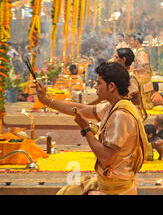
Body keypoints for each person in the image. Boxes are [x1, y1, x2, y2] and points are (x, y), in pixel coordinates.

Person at [35, 62, 148, 195]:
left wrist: (86, 130)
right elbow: (82, 109)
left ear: (111, 86)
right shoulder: (113, 106)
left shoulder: (121, 115)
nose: (95, 86)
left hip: (115, 189)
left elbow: (106, 158)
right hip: (106, 182)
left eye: (99, 83)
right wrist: (46, 100)